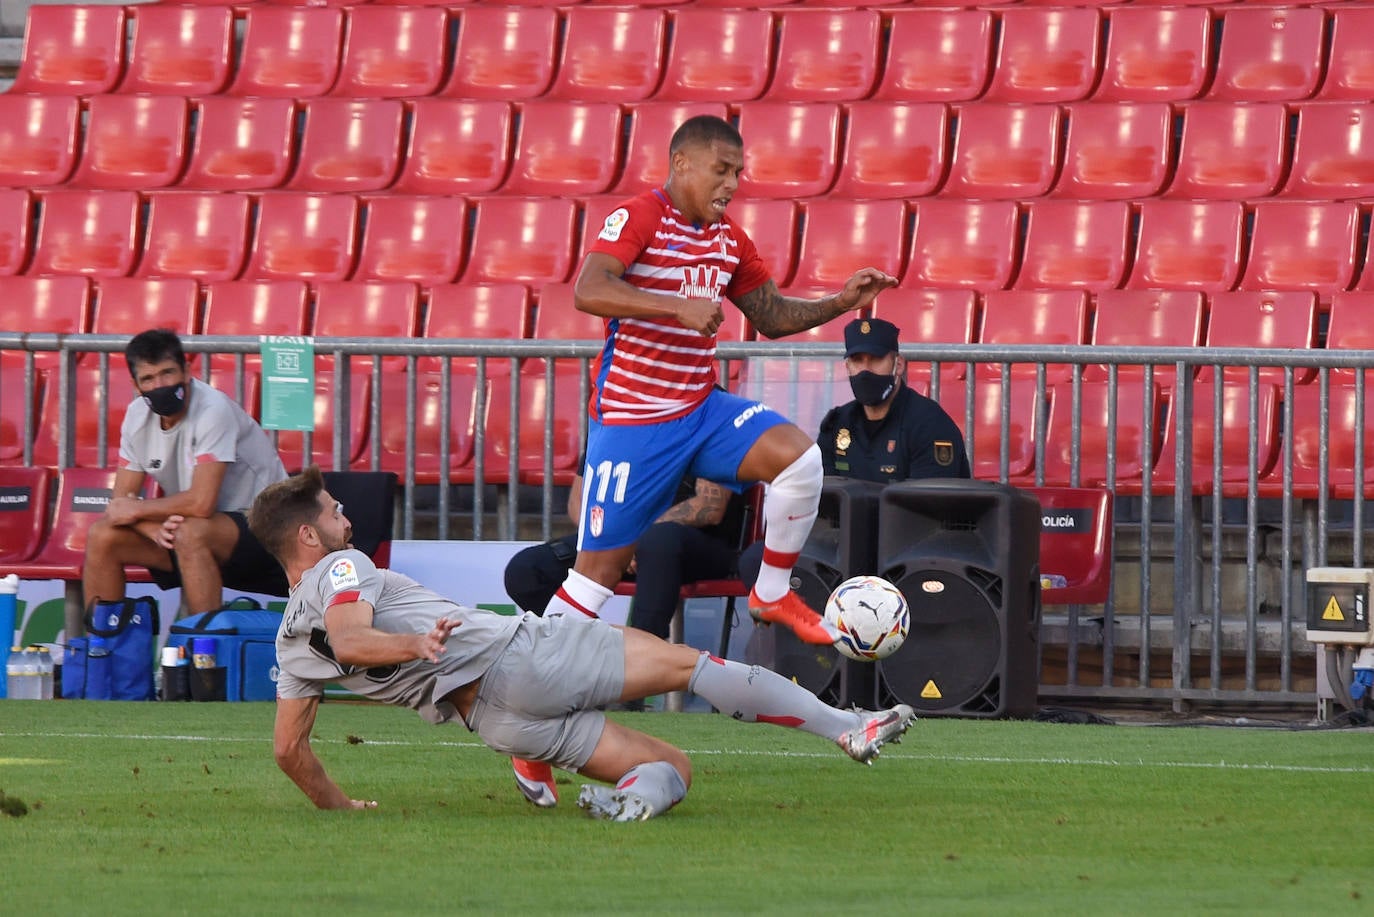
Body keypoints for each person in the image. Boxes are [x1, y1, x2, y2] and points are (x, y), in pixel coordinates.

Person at [512, 114, 897, 808]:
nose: (731, 183)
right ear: (681, 163)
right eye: (721, 169)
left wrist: (841, 301)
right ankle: (528, 730)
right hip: (632, 425)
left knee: (800, 459)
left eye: (739, 172)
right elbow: (588, 289)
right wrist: (673, 307)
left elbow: (772, 314)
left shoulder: (727, 239)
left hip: (700, 408)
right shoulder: (638, 217)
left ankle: (771, 591)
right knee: (591, 587)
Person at [248, 467, 915, 821]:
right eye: (335, 512)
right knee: (694, 664)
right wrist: (414, 643)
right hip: (519, 656)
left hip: (494, 720)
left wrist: (339, 807)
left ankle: (626, 800)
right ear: (309, 537)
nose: (347, 518)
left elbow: (287, 750)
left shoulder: (286, 644)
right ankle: (847, 727)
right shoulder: (342, 569)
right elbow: (353, 635)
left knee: (672, 769)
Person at [739, 317, 972, 589]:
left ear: (898, 364)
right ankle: (790, 630)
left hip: (911, 549)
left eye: (875, 360)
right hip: (844, 544)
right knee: (757, 560)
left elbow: (933, 509)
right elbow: (821, 495)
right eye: (857, 361)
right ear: (847, 366)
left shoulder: (929, 424)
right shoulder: (838, 423)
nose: (865, 370)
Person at [82, 329, 289, 619]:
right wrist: (153, 530)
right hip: (204, 530)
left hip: (270, 526)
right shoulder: (135, 417)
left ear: (187, 371)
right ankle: (103, 650)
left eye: (167, 373)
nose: (160, 385)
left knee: (190, 532)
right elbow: (119, 506)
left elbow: (201, 503)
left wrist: (137, 511)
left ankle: (204, 657)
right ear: (136, 385)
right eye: (149, 379)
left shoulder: (212, 409)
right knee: (103, 535)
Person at [502, 467, 744, 640]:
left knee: (658, 541)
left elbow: (710, 508)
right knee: (526, 570)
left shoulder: (709, 411)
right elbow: (580, 503)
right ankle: (599, 655)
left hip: (703, 546)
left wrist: (632, 542)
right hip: (621, 541)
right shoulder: (613, 415)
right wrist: (617, 543)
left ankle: (638, 668)